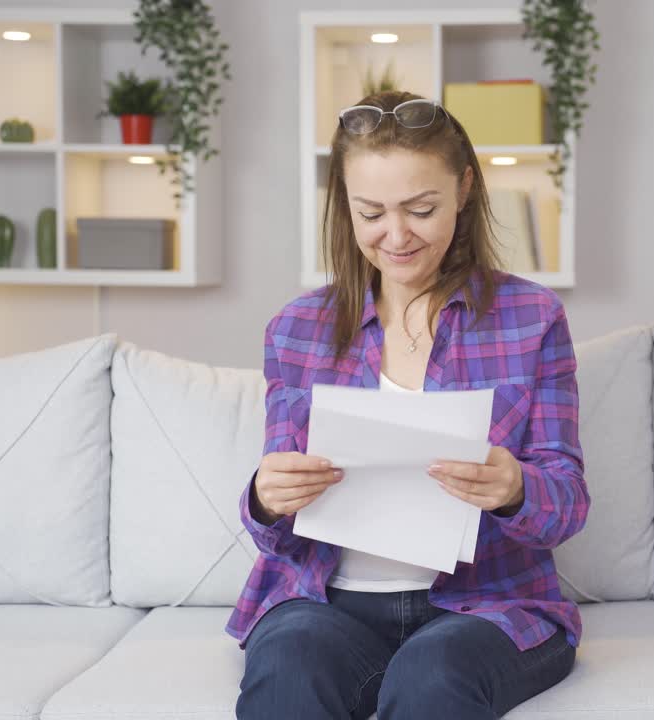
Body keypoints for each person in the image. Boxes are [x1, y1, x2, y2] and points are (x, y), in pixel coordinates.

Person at [226, 90, 588, 719]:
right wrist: (265, 497)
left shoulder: (532, 318)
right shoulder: (297, 327)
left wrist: (516, 488)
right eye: (370, 213)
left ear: (465, 189)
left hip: (486, 608)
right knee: (288, 669)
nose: (396, 236)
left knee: (432, 677)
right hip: (325, 604)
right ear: (344, 205)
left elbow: (568, 504)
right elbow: (276, 535)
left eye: (421, 209)